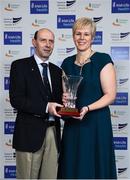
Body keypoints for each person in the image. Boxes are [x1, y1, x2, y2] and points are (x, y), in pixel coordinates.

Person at [57, 17, 117, 179]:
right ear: (73, 36)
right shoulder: (66, 63)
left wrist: (88, 108)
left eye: (86, 34)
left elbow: (110, 95)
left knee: (96, 166)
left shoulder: (103, 60)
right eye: (78, 34)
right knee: (73, 165)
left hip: (96, 123)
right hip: (73, 123)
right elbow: (67, 96)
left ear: (93, 37)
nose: (82, 38)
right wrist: (64, 99)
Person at [9, 28, 63, 179]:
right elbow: (16, 99)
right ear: (34, 42)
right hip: (29, 136)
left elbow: (58, 103)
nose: (47, 44)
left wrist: (67, 105)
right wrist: (46, 107)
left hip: (53, 133)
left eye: (51, 41)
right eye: (43, 40)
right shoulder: (20, 66)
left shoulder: (57, 71)